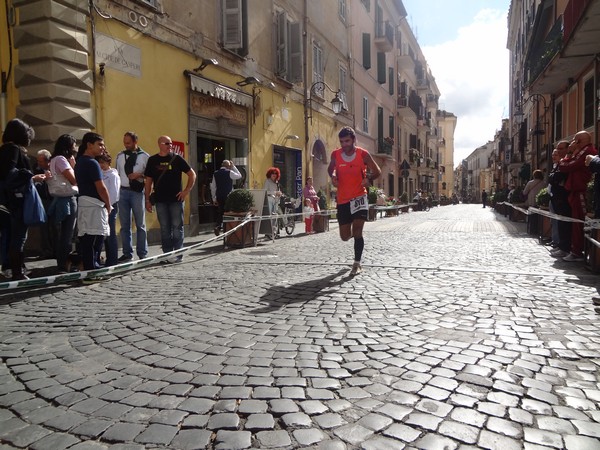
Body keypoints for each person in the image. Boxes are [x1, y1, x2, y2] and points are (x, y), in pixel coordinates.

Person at [327, 126, 381, 276]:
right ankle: (352, 234)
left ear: (353, 140)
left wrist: (368, 179)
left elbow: (377, 171)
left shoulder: (363, 155)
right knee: (345, 237)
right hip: (343, 199)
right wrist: (333, 177)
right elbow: (330, 169)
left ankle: (357, 263)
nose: (344, 144)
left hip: (359, 197)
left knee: (357, 231)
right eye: (342, 141)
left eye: (347, 141)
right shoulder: (335, 154)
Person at [144, 136, 196, 263]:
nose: (170, 145)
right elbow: (148, 181)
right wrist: (147, 199)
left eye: (171, 143)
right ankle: (167, 254)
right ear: (160, 144)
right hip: (160, 200)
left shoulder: (177, 158)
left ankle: (178, 254)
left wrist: (186, 191)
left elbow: (192, 174)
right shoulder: (152, 160)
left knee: (177, 227)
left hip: (176, 200)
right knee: (165, 228)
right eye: (167, 143)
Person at [0, 118, 35, 280]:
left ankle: (16, 268)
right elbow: (9, 174)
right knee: (18, 237)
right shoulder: (13, 149)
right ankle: (16, 271)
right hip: (14, 201)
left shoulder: (4, 149)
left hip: (7, 201)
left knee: (13, 236)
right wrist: (28, 174)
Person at [74, 132, 111, 272]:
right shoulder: (91, 163)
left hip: (85, 203)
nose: (103, 147)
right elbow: (101, 187)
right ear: (89, 145)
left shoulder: (80, 162)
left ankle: (90, 267)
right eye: (99, 144)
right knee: (94, 239)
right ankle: (91, 269)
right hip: (94, 205)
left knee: (88, 239)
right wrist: (108, 204)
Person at [559, 131, 598, 262]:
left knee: (578, 223)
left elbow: (567, 166)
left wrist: (568, 153)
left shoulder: (586, 152)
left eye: (575, 140)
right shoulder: (582, 152)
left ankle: (577, 251)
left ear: (580, 141)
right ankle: (576, 250)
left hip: (581, 191)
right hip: (576, 191)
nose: (573, 143)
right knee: (576, 223)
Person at [115, 131, 149, 262]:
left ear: (135, 142)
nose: (126, 145)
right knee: (124, 225)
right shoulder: (120, 156)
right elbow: (116, 174)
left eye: (128, 142)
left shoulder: (144, 156)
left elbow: (150, 176)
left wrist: (139, 175)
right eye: (124, 142)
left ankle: (142, 252)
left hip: (137, 193)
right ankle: (127, 253)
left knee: (140, 224)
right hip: (122, 192)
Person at [48, 134, 78, 273]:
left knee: (61, 233)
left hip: (57, 197)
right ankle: (64, 265)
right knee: (67, 234)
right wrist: (73, 166)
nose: (75, 147)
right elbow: (73, 180)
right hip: (67, 197)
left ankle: (62, 263)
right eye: (74, 144)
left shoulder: (53, 159)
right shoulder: (62, 160)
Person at [548, 141, 571, 257]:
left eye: (561, 149)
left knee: (564, 224)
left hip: (563, 198)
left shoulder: (566, 163)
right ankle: (561, 245)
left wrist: (553, 177)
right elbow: (552, 178)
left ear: (568, 149)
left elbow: (555, 178)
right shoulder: (559, 164)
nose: (558, 152)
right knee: (559, 222)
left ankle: (564, 247)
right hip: (556, 197)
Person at [98, 152, 120, 267]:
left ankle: (112, 259)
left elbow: (114, 193)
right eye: (99, 163)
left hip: (110, 206)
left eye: (103, 162)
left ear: (108, 162)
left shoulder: (112, 175)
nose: (101, 165)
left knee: (110, 233)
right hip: (101, 205)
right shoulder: (100, 173)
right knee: (103, 233)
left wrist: (108, 205)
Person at [33, 149, 55, 259]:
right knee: (44, 227)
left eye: (40, 161)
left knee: (55, 226)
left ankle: (56, 250)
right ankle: (46, 250)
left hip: (54, 199)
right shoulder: (37, 169)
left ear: (48, 161)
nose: (38, 163)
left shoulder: (55, 168)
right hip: (43, 200)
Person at [210, 159, 242, 236]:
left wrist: (214, 198)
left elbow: (213, 187)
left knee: (221, 212)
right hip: (228, 196)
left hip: (219, 196)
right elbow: (239, 175)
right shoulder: (229, 172)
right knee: (228, 213)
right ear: (228, 166)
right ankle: (227, 229)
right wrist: (233, 167)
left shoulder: (216, 173)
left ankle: (218, 226)